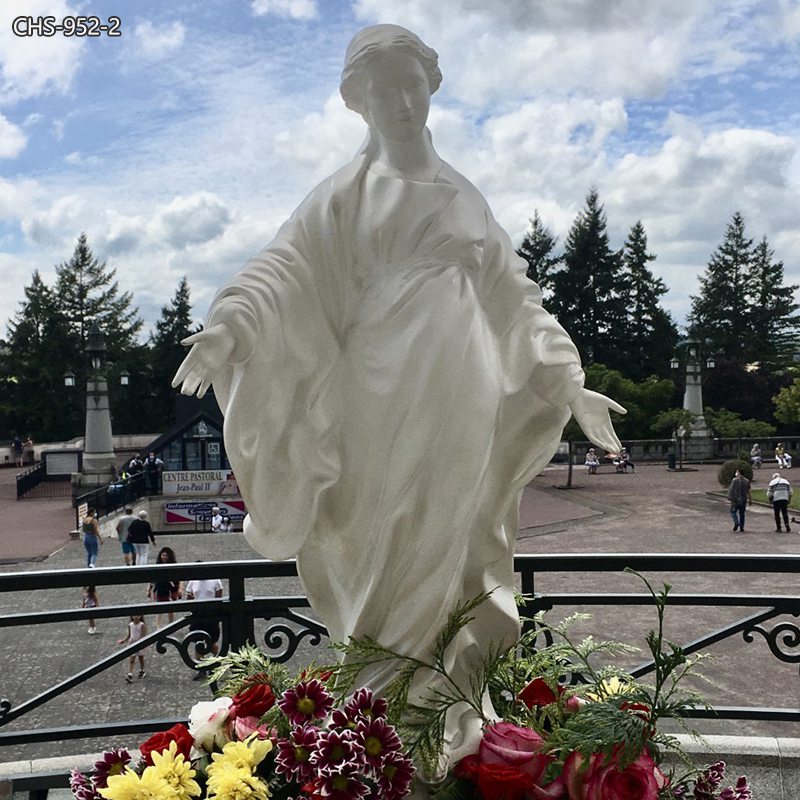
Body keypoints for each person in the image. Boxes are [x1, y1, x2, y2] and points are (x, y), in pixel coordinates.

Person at [172, 24, 625, 769]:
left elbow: (515, 300)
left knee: (452, 541)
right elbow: (282, 271)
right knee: (374, 541)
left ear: (430, 86)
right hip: (370, 398)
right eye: (384, 90)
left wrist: (569, 382)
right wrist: (230, 328)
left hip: (461, 395)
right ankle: (378, 724)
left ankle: (444, 711)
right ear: (360, 102)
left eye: (412, 84)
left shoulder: (463, 198)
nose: (403, 102)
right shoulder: (345, 195)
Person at [185, 566, 224, 680]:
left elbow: (219, 593)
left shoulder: (215, 579)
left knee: (211, 642)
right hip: (198, 614)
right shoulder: (193, 581)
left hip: (211, 614)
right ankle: (201, 669)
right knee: (198, 641)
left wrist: (215, 607)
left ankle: (215, 664)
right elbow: (189, 595)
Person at [148, 546, 182, 627]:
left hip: (172, 589)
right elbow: (152, 578)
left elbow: (180, 578)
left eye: (166, 555)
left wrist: (180, 589)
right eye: (163, 555)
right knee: (159, 609)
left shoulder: (174, 565)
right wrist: (149, 589)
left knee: (170, 609)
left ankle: (170, 625)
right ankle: (158, 627)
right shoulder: (157, 565)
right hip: (160, 588)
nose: (164, 557)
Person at [118, 615, 148, 683]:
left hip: (140, 644)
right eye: (134, 615)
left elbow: (143, 635)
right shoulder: (130, 625)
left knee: (141, 659)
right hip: (132, 643)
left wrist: (140, 643)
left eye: (138, 615)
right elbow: (129, 635)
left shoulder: (142, 625)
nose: (136, 617)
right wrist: (123, 640)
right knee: (132, 659)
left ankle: (142, 670)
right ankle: (130, 674)